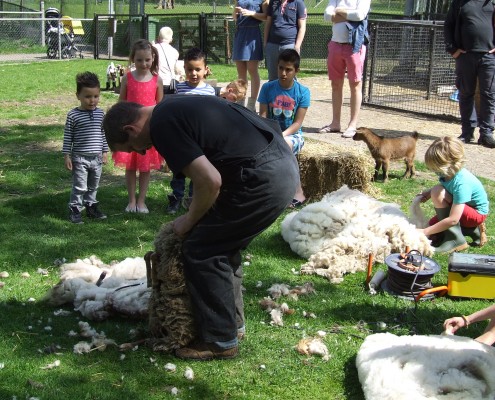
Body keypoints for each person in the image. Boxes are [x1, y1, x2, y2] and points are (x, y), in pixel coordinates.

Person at [103, 96, 299, 360]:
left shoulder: (162, 124)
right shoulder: (175, 105)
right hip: (281, 167)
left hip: (261, 178)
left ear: (130, 129)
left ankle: (220, 341)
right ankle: (233, 326)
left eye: (132, 148)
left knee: (202, 249)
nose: (140, 152)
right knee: (222, 245)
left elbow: (210, 180)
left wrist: (187, 221)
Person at [112, 39, 164, 214]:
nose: (144, 63)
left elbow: (160, 106)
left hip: (147, 132)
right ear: (133, 59)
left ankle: (142, 201)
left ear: (153, 59)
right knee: (130, 166)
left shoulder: (157, 80)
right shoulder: (127, 78)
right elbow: (121, 101)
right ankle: (131, 200)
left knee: (145, 167)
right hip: (130, 130)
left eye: (147, 60)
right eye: (139, 60)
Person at [416, 136, 488, 253]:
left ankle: (456, 241)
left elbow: (453, 220)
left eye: (436, 169)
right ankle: (473, 231)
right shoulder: (449, 174)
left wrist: (425, 231)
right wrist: (428, 193)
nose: (434, 172)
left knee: (437, 192)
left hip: (475, 214)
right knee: (433, 230)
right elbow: (447, 186)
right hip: (464, 209)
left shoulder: (462, 183)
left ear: (447, 165)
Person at [167, 48, 216, 214]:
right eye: (190, 69)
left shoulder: (209, 91)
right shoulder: (179, 89)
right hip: (182, 137)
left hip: (200, 138)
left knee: (198, 170)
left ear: (205, 69)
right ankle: (176, 197)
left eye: (198, 69)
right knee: (179, 170)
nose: (194, 73)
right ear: (185, 69)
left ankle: (193, 199)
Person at [258, 48, 309, 207]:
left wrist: (281, 136)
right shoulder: (267, 88)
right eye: (281, 68)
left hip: (293, 135)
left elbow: (297, 123)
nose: (284, 73)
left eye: (288, 69)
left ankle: (297, 192)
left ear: (296, 71)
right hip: (270, 132)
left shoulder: (303, 92)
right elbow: (263, 117)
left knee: (284, 145)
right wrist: (270, 135)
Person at [444, 0, 495, 148]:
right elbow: (448, 25)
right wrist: (453, 50)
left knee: (489, 94)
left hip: (489, 57)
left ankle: (486, 133)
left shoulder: (491, 2)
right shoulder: (459, 3)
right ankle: (467, 132)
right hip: (465, 56)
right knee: (466, 93)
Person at [318, 0, 370, 138]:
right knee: (335, 84)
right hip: (335, 44)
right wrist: (347, 15)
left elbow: (359, 15)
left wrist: (339, 11)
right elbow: (327, 16)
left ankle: (352, 125)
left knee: (355, 85)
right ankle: (335, 123)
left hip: (354, 46)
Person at [62, 71, 108, 224]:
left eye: (95, 96)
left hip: (97, 158)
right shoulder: (73, 115)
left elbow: (103, 134)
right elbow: (68, 136)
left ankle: (91, 206)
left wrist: (105, 151)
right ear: (78, 96)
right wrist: (67, 155)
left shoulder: (101, 114)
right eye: (88, 96)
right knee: (80, 186)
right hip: (80, 158)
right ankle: (75, 208)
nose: (92, 100)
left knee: (93, 185)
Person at [232, 0, 268, 111]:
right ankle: (240, 101)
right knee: (241, 72)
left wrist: (251, 13)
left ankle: (251, 104)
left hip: (252, 35)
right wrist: (236, 13)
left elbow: (266, 16)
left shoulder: (262, 1)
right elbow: (234, 17)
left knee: (252, 70)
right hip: (240, 33)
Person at [264, 0, 307, 81]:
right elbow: (268, 23)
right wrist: (266, 43)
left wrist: (297, 46)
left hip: (289, 44)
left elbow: (302, 27)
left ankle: (291, 94)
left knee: (290, 77)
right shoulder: (273, 2)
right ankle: (275, 94)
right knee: (273, 77)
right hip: (272, 44)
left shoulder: (298, 2)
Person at [153, 26, 180, 95]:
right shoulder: (175, 52)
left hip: (155, 82)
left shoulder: (153, 48)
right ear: (171, 39)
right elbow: (177, 70)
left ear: (158, 37)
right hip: (169, 84)